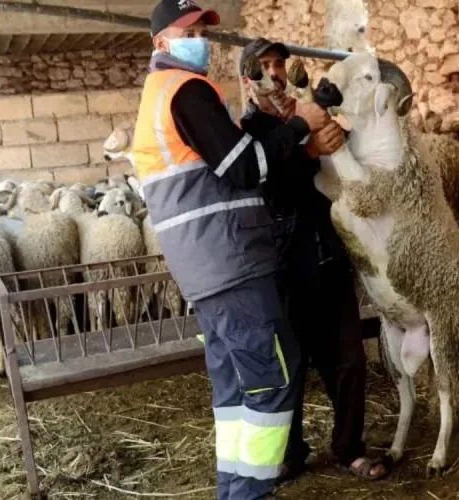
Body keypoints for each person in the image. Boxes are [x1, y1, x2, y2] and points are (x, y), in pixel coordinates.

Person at [131, 2, 332, 499]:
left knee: (236, 391)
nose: (199, 38)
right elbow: (244, 168)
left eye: (202, 30)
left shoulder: (159, 94)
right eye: (189, 31)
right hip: (232, 264)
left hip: (206, 271)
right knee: (274, 378)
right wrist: (301, 124)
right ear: (162, 43)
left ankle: (232, 490)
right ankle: (249, 494)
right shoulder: (188, 91)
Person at [238, 38, 390, 482]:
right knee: (290, 366)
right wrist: (308, 149)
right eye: (265, 66)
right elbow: (264, 183)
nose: (276, 73)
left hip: (325, 252)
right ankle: (292, 452)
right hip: (281, 264)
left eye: (279, 65)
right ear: (249, 78)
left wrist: (338, 140)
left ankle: (349, 449)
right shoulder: (247, 134)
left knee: (348, 360)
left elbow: (337, 167)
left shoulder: (307, 114)